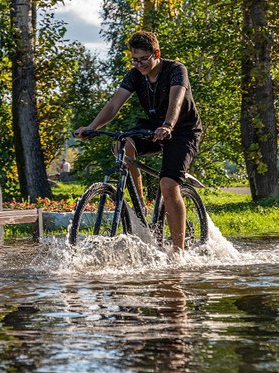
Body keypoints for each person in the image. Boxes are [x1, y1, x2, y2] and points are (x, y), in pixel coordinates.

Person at [74, 31, 202, 251]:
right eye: (135, 59)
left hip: (182, 130)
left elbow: (177, 102)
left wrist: (168, 125)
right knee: (122, 143)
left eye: (144, 59)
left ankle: (178, 252)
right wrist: (91, 127)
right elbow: (114, 105)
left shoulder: (176, 70)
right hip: (154, 128)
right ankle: (140, 207)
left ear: (157, 54)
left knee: (168, 185)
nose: (140, 64)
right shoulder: (134, 75)